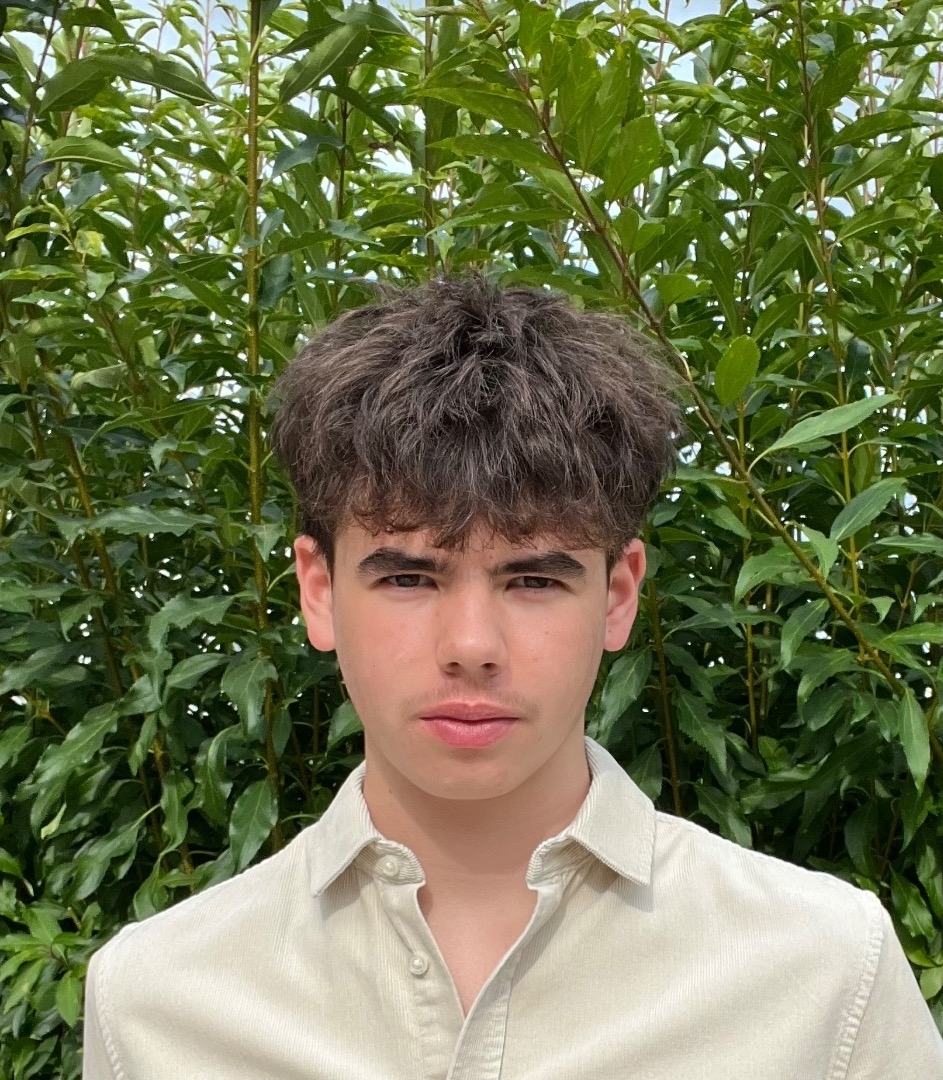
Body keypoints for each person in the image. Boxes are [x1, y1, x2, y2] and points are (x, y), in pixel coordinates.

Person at [81, 275, 942, 1079]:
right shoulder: (156, 1004)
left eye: (532, 580)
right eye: (407, 578)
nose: (470, 645)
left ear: (617, 596)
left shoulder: (825, 974)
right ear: (318, 591)